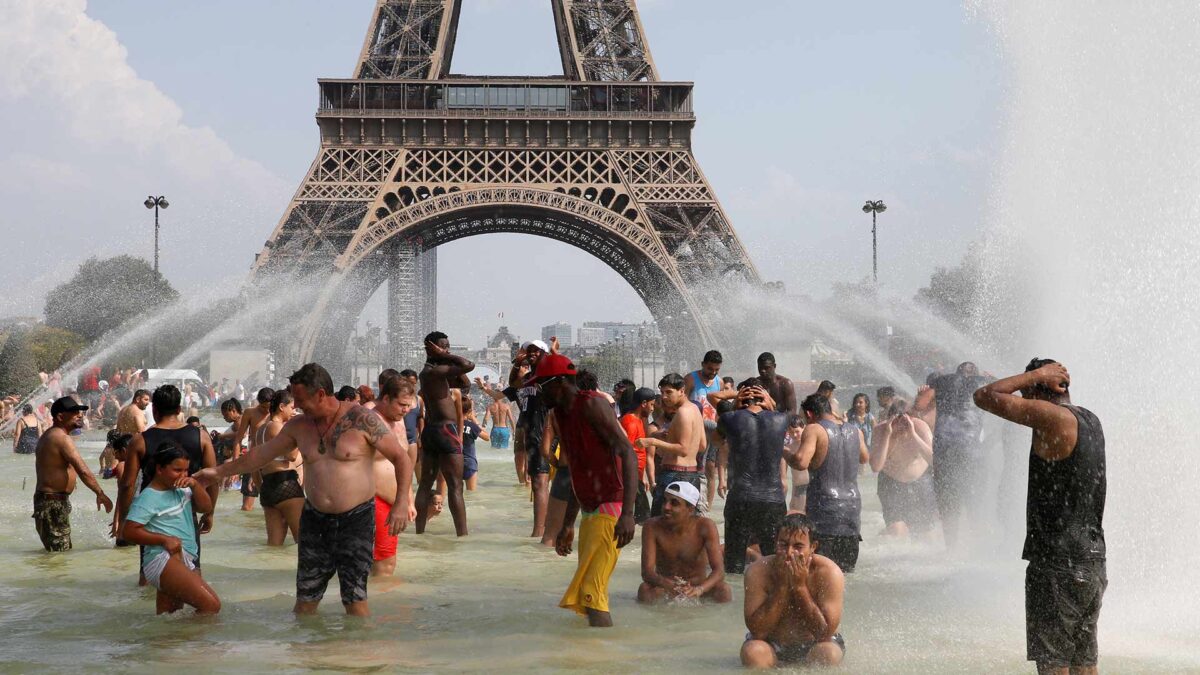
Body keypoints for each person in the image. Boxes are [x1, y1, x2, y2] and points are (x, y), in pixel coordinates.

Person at [195, 362, 412, 616]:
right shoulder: (299, 426)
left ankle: (358, 653)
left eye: (300, 399)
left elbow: (401, 459)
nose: (296, 406)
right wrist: (216, 472)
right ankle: (304, 653)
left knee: (354, 601)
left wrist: (400, 504)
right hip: (315, 520)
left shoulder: (362, 419)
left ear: (320, 394)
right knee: (305, 601)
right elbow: (259, 456)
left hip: (356, 520)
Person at [974, 359, 1106, 675]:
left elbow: (984, 396)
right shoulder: (1090, 419)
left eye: (1025, 390)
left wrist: (1034, 375)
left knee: (1054, 665)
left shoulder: (1053, 418)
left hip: (1057, 563)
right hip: (1093, 561)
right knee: (1084, 663)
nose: (1019, 399)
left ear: (1039, 387)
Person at [539, 354, 638, 627]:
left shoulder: (593, 405)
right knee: (588, 595)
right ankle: (591, 655)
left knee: (593, 593)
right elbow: (577, 469)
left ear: (559, 383)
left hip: (612, 506)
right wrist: (568, 524)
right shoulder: (560, 415)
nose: (539, 391)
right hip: (590, 510)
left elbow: (627, 453)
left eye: (542, 385)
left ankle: (604, 662)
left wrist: (628, 514)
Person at [116, 385, 219, 581]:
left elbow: (127, 484)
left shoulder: (140, 440)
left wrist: (124, 520)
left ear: (154, 410)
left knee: (148, 574)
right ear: (180, 410)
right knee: (192, 570)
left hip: (151, 516)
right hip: (187, 512)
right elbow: (213, 479)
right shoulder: (201, 436)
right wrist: (210, 513)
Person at [121, 442, 220, 615]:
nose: (183, 475)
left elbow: (205, 507)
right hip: (162, 559)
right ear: (159, 469)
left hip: (180, 559)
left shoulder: (183, 489)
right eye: (177, 470)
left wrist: (195, 485)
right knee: (211, 605)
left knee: (170, 617)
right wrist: (163, 539)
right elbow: (128, 531)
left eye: (186, 470)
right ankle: (196, 641)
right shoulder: (149, 497)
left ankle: (168, 642)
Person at [741, 514, 846, 668]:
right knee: (753, 652)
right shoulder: (757, 571)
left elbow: (824, 634)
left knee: (828, 653)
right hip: (772, 644)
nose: (790, 552)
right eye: (783, 544)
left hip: (815, 644)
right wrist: (782, 586)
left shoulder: (829, 572)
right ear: (775, 543)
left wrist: (799, 587)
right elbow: (758, 631)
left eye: (798, 546)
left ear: (813, 547)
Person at [716, 378, 794, 575]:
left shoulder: (729, 418)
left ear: (740, 395)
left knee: (733, 565)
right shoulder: (781, 419)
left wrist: (733, 407)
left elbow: (717, 440)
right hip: (773, 499)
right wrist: (773, 404)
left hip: (741, 498)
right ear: (765, 396)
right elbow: (789, 414)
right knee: (775, 561)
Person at [482, 339, 552, 534]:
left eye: (536, 351)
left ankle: (541, 531)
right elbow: (513, 384)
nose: (530, 354)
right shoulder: (527, 378)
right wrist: (516, 364)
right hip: (530, 432)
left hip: (543, 433)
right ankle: (544, 529)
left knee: (541, 482)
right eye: (528, 351)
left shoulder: (547, 377)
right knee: (538, 481)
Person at [917, 362, 991, 548]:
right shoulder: (983, 381)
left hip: (944, 446)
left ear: (956, 371)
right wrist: (991, 377)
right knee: (973, 496)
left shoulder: (940, 380)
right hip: (971, 447)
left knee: (947, 497)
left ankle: (951, 547)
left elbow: (920, 405)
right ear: (975, 372)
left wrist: (924, 391)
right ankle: (978, 545)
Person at [795, 394, 867, 573]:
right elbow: (865, 458)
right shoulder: (855, 431)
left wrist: (784, 451)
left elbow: (801, 462)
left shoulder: (814, 429)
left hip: (823, 514)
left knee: (819, 578)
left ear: (810, 414)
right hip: (851, 515)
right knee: (845, 577)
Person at [32, 397, 114, 551]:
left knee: (58, 553)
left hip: (51, 502)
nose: (80, 415)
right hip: (52, 504)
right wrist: (100, 493)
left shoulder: (51, 435)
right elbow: (82, 469)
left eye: (79, 412)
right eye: (74, 412)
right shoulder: (61, 438)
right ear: (60, 417)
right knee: (59, 554)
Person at [416, 332, 474, 536]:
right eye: (443, 346)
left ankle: (420, 533)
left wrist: (444, 356)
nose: (447, 350)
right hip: (445, 430)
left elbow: (465, 384)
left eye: (448, 347)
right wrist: (446, 356)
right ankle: (463, 535)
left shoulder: (430, 372)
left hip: (432, 431)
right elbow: (469, 364)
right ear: (433, 348)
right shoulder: (436, 371)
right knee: (455, 485)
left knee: (425, 483)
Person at [638, 481, 731, 604]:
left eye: (674, 503)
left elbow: (719, 571)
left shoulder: (705, 526)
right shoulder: (652, 526)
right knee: (644, 589)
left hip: (697, 587)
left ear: (690, 509)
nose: (666, 507)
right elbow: (647, 572)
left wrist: (699, 589)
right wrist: (668, 585)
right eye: (665, 500)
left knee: (724, 590)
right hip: (666, 587)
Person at [641, 373, 707, 517]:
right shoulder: (695, 409)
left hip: (674, 475)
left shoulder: (682, 413)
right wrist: (668, 437)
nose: (664, 397)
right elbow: (702, 445)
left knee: (659, 525)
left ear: (682, 391)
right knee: (685, 528)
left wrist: (652, 441)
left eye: (669, 392)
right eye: (662, 392)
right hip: (691, 475)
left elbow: (683, 449)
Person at [869, 400, 938, 537]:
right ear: (890, 419)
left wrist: (913, 434)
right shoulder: (881, 430)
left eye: (904, 420)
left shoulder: (920, 427)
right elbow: (876, 467)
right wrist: (889, 435)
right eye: (896, 420)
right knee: (897, 531)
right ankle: (881, 537)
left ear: (911, 418)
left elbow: (934, 461)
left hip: (920, 482)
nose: (901, 425)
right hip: (891, 483)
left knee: (925, 534)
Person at [371, 374, 418, 577]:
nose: (406, 410)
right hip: (373, 500)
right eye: (401, 405)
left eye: (408, 406)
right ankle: (382, 606)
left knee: (386, 562)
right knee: (383, 564)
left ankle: (380, 603)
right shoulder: (367, 419)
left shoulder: (398, 422)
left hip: (394, 503)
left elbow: (404, 463)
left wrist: (408, 500)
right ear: (386, 398)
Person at [255, 389, 305, 546]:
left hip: (267, 487)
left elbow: (255, 463)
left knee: (274, 546)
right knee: (304, 542)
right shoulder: (278, 428)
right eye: (292, 407)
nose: (294, 411)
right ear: (282, 407)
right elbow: (291, 456)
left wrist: (259, 487)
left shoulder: (260, 429)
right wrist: (297, 430)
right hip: (286, 484)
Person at [684, 350, 724, 509]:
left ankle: (708, 506)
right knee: (694, 466)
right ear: (702, 365)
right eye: (709, 369)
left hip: (713, 430)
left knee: (710, 467)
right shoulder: (691, 379)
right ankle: (691, 503)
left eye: (716, 370)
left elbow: (720, 408)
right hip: (694, 430)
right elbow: (682, 402)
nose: (712, 373)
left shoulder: (719, 383)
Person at [230, 388, 275, 511]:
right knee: (246, 507)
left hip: (272, 463)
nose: (266, 411)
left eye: (269, 407)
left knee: (273, 506)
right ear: (258, 402)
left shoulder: (278, 414)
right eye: (263, 407)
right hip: (253, 460)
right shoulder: (250, 413)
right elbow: (238, 440)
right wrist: (235, 466)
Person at [620, 387, 657, 524]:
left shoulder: (639, 420)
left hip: (637, 475)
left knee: (642, 517)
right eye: (652, 404)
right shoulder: (629, 422)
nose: (653, 408)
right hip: (631, 476)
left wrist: (644, 476)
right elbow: (626, 451)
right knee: (644, 518)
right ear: (644, 403)